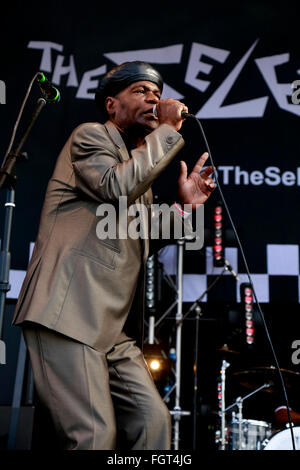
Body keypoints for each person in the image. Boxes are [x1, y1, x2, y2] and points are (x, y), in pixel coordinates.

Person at [12, 61, 215, 450]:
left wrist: (186, 209)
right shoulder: (90, 137)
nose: (153, 99)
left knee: (153, 423)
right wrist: (170, 130)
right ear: (111, 105)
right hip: (68, 313)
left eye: (157, 94)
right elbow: (114, 187)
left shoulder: (140, 170)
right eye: (141, 91)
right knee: (92, 436)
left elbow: (139, 234)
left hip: (111, 328)